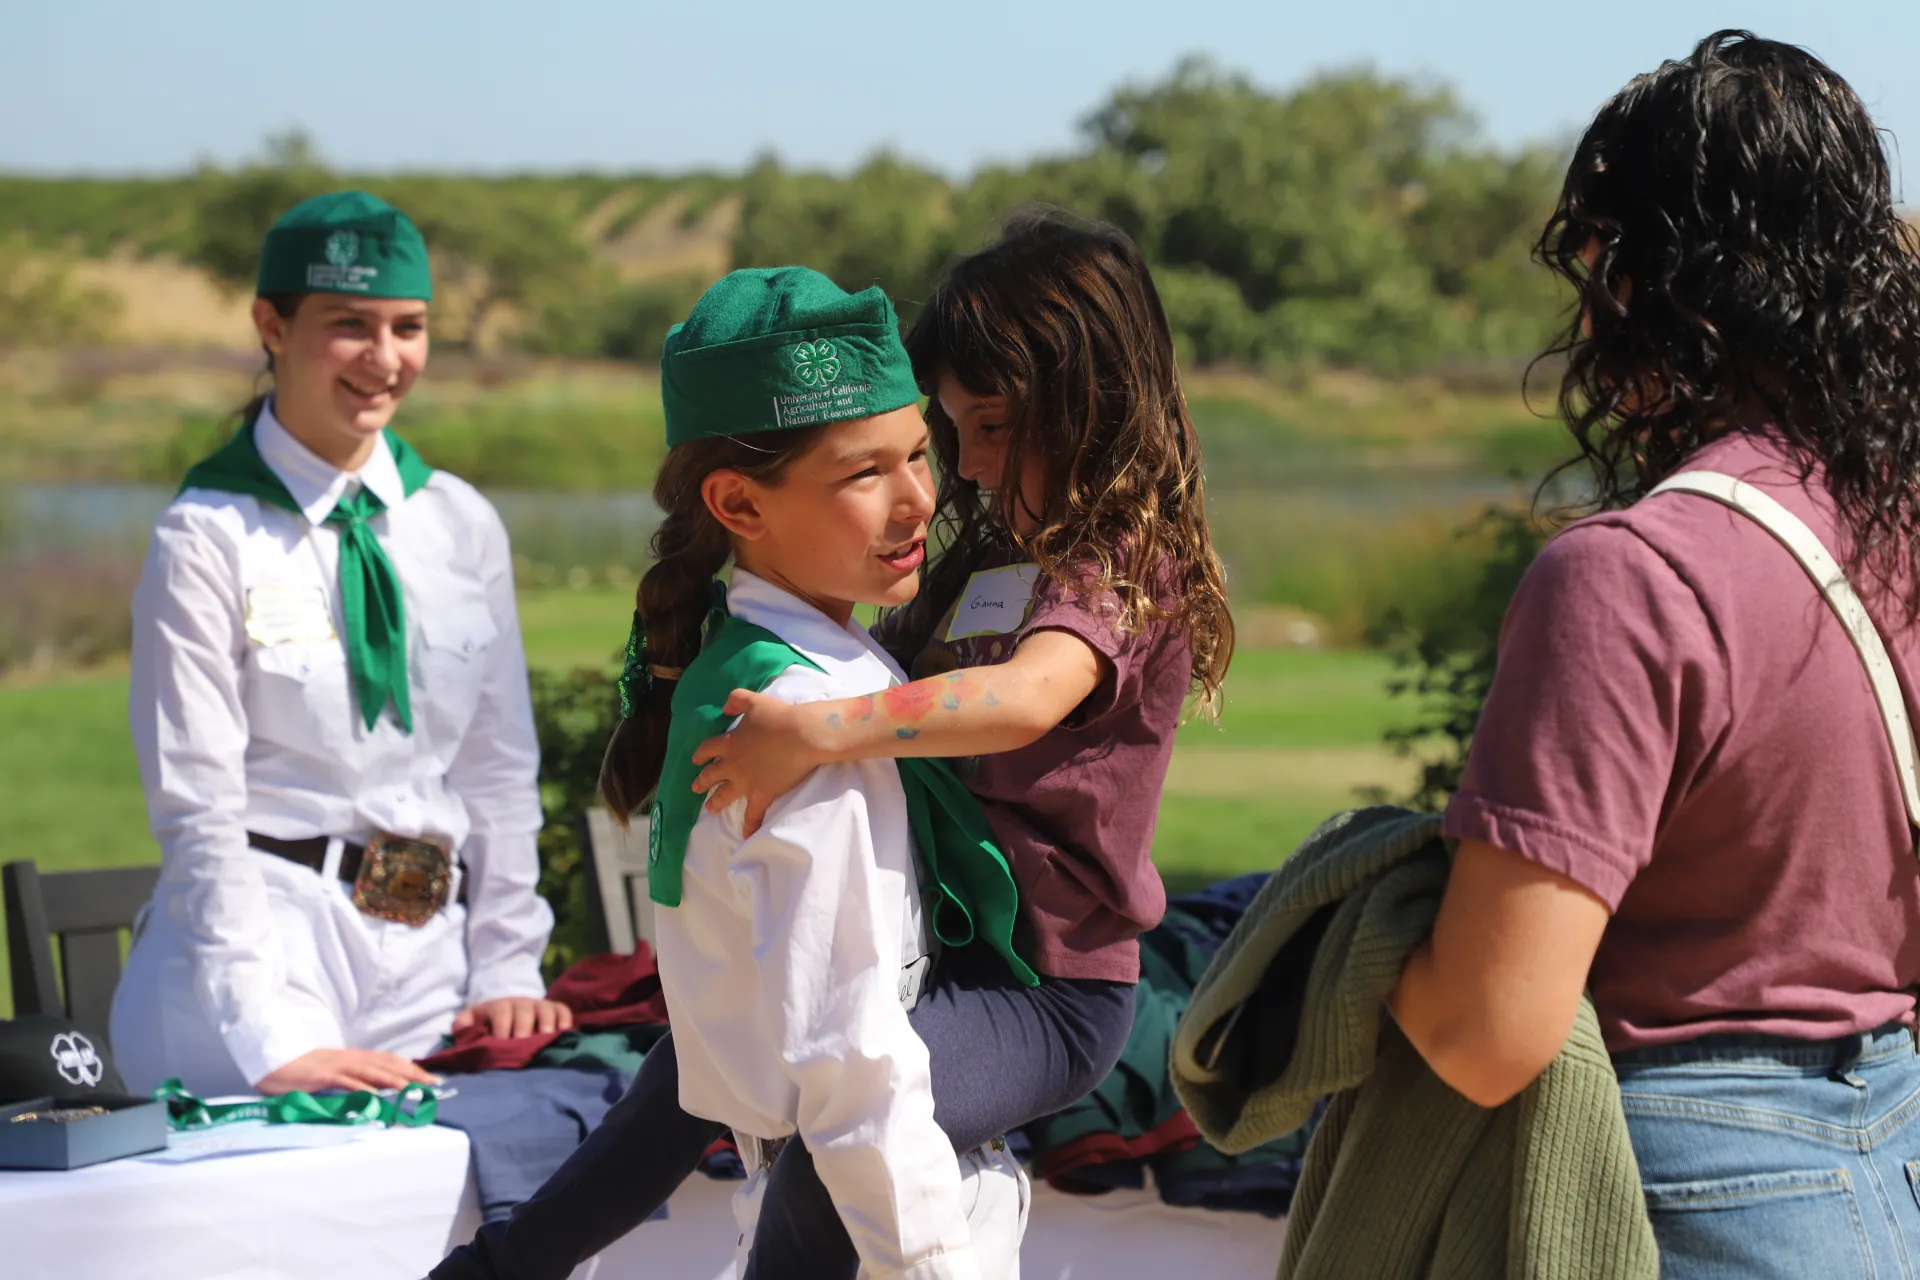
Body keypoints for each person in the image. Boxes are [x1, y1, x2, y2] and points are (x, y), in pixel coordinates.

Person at [436, 211, 1233, 1280]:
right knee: (699, 1067)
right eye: (952, 434)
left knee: (839, 1118)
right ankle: (504, 1264)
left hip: (1044, 989)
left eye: (990, 428)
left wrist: (817, 731)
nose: (967, 470)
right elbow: (876, 661)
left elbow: (1023, 697)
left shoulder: (1117, 563)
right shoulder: (982, 556)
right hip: (941, 957)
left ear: (1089, 404)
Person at [1383, 31, 1920, 1277]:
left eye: (1598, 266)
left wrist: (1342, 965)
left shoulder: (1628, 574)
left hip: (1692, 1196)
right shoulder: (1894, 528)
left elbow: (1487, 1030)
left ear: (1657, 285)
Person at [111, 190, 567, 1099]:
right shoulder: (208, 534)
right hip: (258, 955)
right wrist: (268, 1034)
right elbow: (198, 800)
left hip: (430, 962)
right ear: (271, 324)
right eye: (350, 325)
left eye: (409, 327)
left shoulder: (458, 521)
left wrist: (508, 965)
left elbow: (498, 765)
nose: (386, 359)